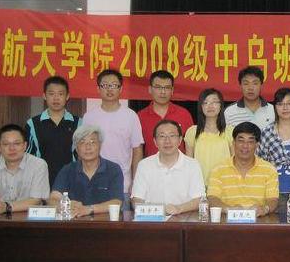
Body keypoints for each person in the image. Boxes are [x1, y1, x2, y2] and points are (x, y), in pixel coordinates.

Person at [82, 69, 144, 202]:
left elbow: (137, 150)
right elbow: (82, 149)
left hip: (123, 184)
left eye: (114, 85)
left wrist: (135, 181)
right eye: (105, 85)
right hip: (94, 182)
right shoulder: (89, 117)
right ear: (98, 89)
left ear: (121, 89)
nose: (109, 89)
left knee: (122, 216)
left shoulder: (131, 116)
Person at [49, 125, 124, 218]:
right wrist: (66, 205)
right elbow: (53, 199)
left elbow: (117, 202)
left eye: (92, 142)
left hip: (105, 224)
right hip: (74, 223)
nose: (88, 147)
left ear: (100, 146)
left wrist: (89, 209)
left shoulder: (113, 169)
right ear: (76, 149)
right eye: (82, 142)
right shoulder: (67, 170)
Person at [0, 124, 49, 214]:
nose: (12, 148)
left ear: (25, 146)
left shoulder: (38, 165)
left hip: (29, 219)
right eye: (6, 144)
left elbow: (36, 200)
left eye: (17, 143)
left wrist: (7, 207)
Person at [132, 120, 205, 214]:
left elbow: (199, 199)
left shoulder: (192, 165)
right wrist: (156, 212)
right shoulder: (144, 165)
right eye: (162, 136)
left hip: (184, 219)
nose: (167, 141)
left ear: (180, 140)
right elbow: (137, 199)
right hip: (152, 220)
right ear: (155, 141)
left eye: (172, 136)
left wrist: (178, 209)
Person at [206, 122, 279, 216]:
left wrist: (264, 209)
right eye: (241, 141)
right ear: (233, 143)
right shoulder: (218, 170)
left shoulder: (269, 169)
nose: (245, 146)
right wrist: (230, 210)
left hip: (259, 220)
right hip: (226, 220)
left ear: (257, 145)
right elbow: (212, 198)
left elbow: (273, 200)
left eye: (250, 142)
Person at [26, 75, 81, 187]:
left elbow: (82, 156)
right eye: (51, 94)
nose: (56, 98)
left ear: (67, 96)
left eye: (60, 94)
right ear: (44, 96)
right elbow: (28, 157)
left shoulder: (79, 123)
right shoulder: (32, 124)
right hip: (41, 182)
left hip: (71, 181)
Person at [138, 70, 194, 158]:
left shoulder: (184, 114)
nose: (163, 92)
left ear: (172, 90)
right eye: (158, 87)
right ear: (150, 89)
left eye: (167, 88)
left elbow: (191, 146)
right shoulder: (140, 117)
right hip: (151, 166)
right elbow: (137, 149)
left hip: (180, 166)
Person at [184, 88, 234, 185]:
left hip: (224, 184)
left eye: (214, 102)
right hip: (199, 184)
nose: (210, 106)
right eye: (205, 102)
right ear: (201, 107)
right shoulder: (192, 131)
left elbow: (234, 162)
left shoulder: (230, 131)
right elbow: (189, 163)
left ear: (221, 105)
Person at [223, 66, 275, 130]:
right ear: (240, 85)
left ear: (261, 85)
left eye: (255, 83)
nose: (250, 88)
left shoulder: (273, 110)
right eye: (246, 83)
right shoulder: (229, 112)